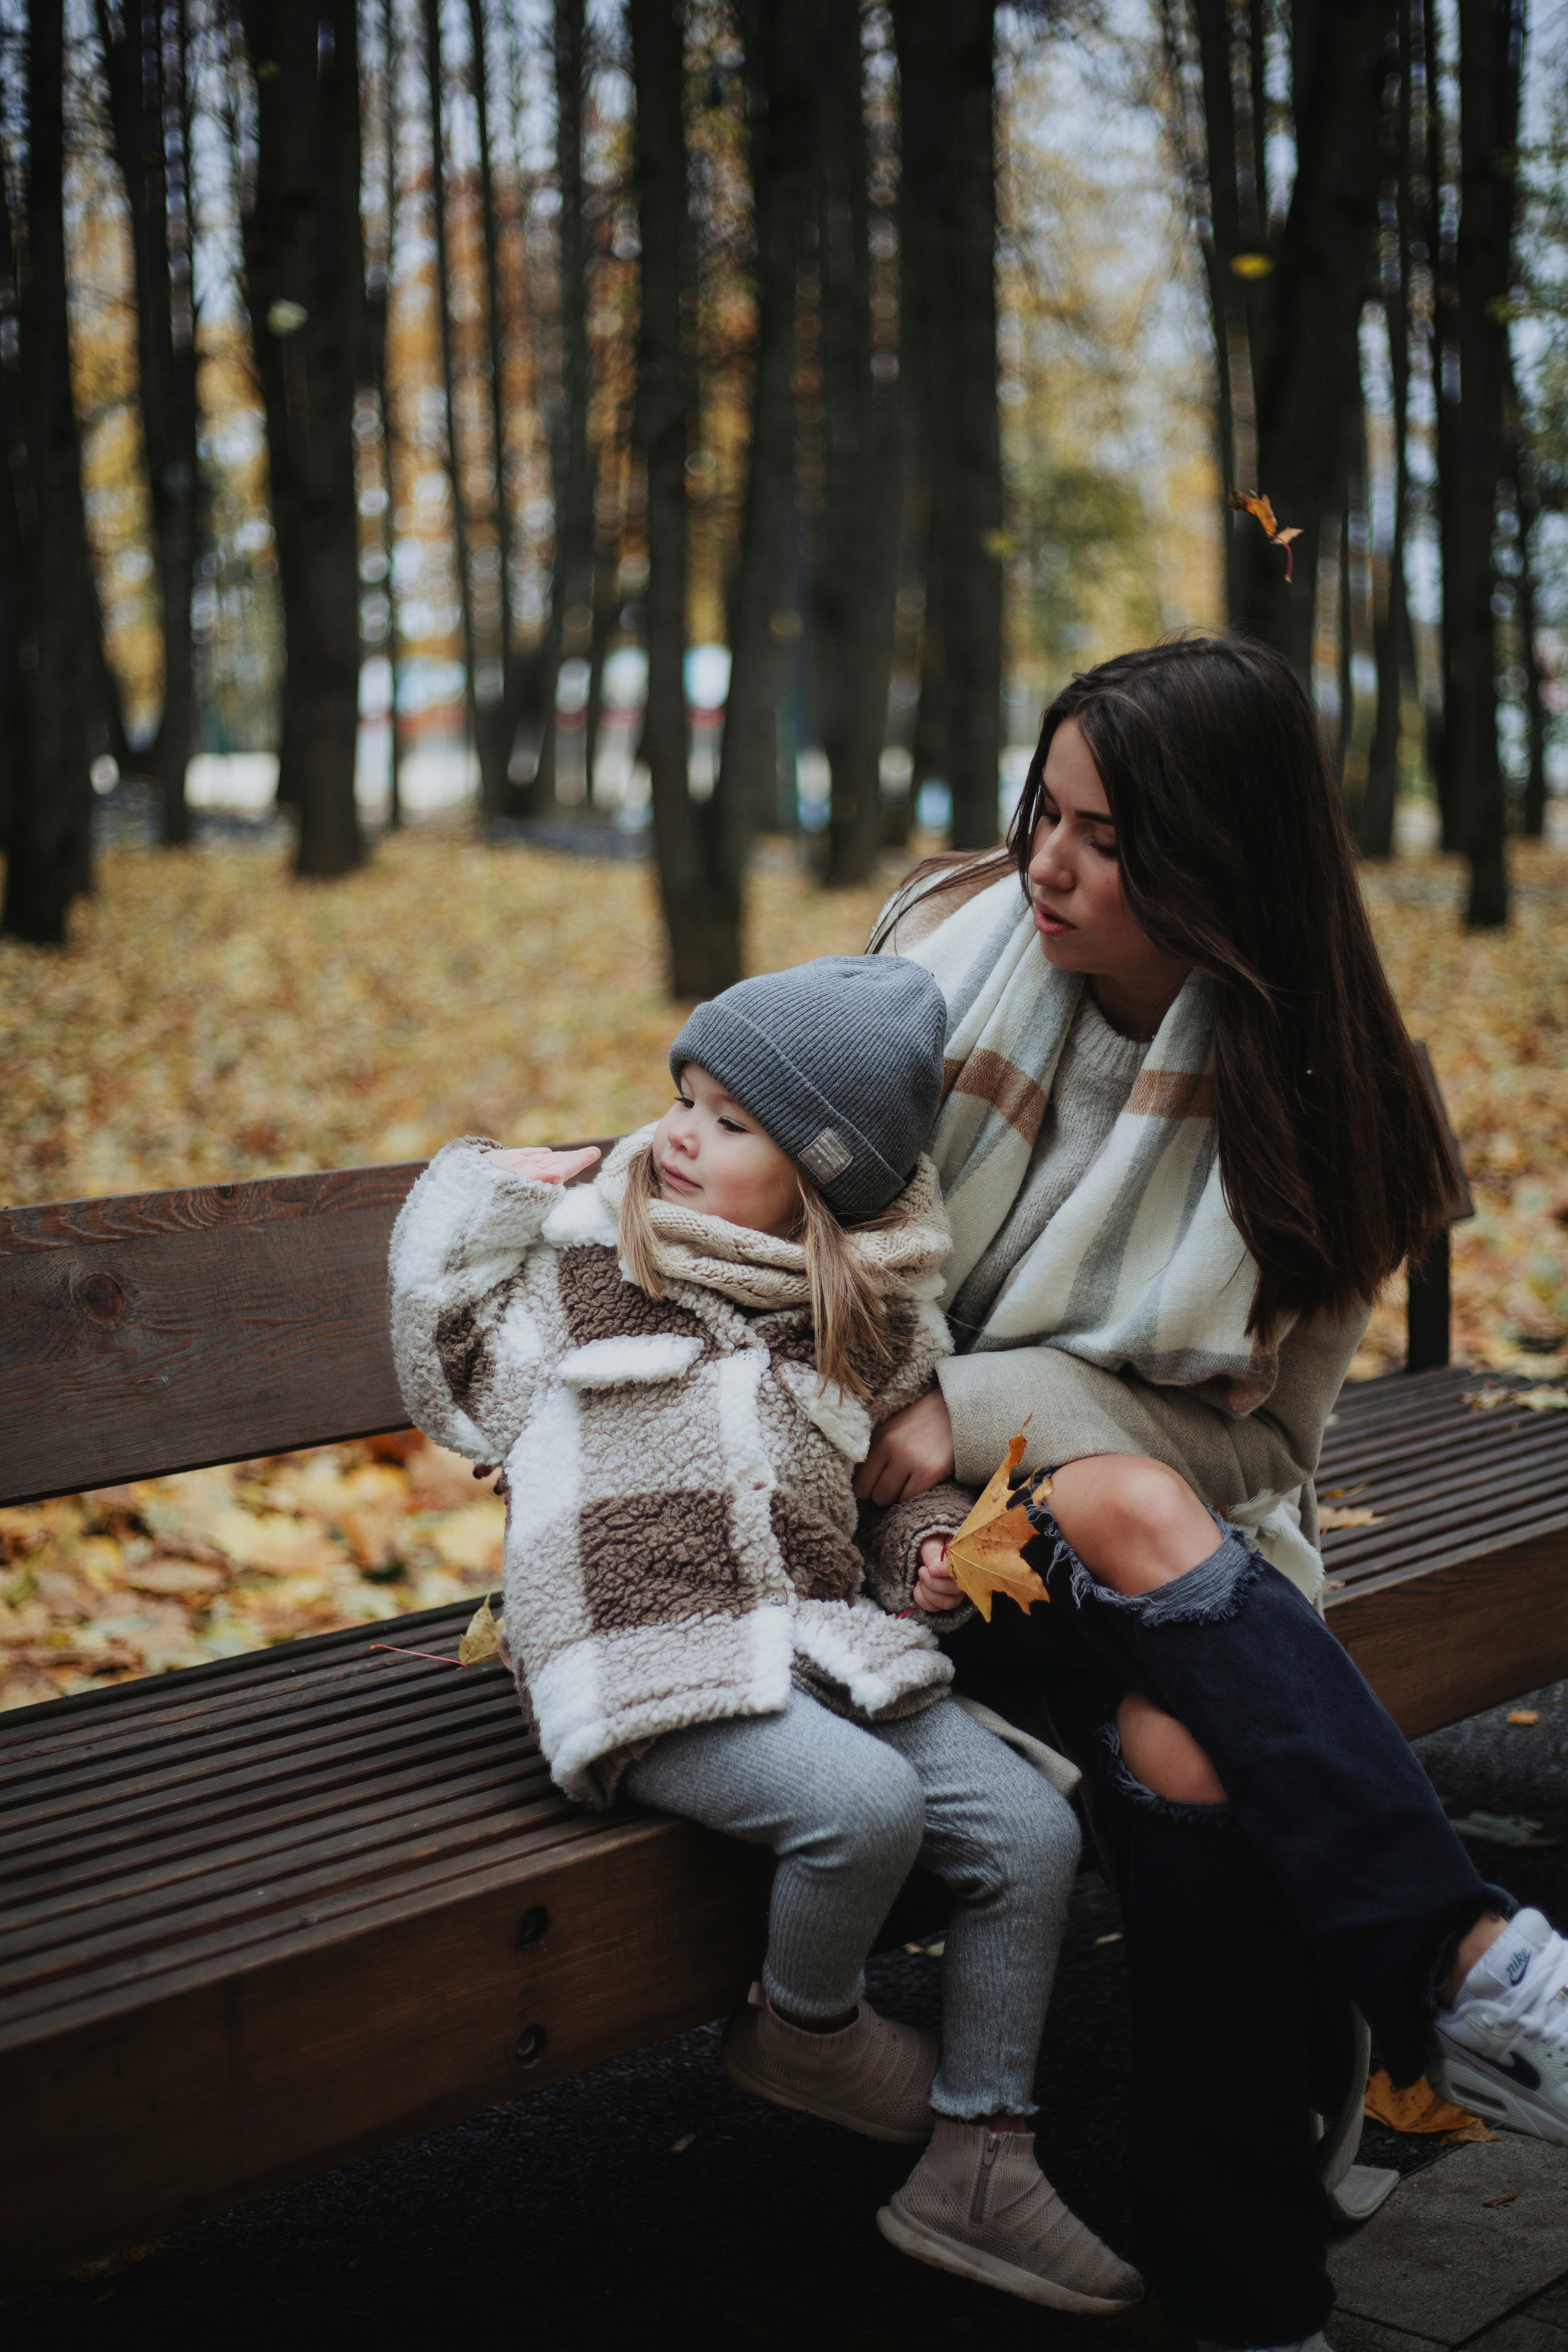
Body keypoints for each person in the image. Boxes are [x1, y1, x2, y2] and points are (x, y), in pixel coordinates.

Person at [857, 635, 1568, 2352]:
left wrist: (975, 1408)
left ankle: (1245, 2299)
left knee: (1188, 1739)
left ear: (1222, 859)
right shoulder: (925, 985)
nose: (1048, 862)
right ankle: (1465, 1971)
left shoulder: (1326, 1101)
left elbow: (1264, 1452)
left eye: (1108, 839)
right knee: (1132, 1525)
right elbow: (787, 1256)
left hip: (1166, 1560)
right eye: (1046, 811)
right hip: (891, 1548)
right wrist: (938, 1427)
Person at [386, 956, 1141, 2318]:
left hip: (809, 1637)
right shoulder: (592, 1271)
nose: (677, 1133)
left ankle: (980, 2157)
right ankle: (805, 2034)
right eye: (683, 1097)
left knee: (1031, 1831)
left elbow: (901, 1506)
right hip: (632, 1644)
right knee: (859, 1806)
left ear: (823, 1177)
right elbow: (443, 1374)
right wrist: (491, 1193)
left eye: (732, 1123)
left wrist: (926, 1561)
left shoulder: (862, 1318)